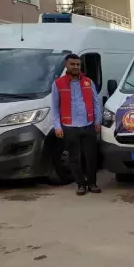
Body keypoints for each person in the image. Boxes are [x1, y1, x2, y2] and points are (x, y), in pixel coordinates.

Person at [51, 54, 102, 196]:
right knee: (74, 158)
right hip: (69, 126)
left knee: (91, 157)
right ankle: (80, 184)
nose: (76, 67)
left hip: (88, 124)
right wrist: (57, 126)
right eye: (73, 64)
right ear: (66, 65)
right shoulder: (58, 84)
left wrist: (98, 121)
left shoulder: (88, 82)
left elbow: (95, 102)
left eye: (78, 64)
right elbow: (55, 107)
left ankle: (92, 183)